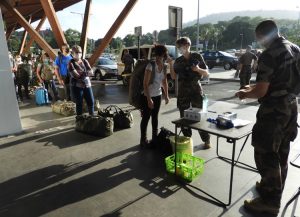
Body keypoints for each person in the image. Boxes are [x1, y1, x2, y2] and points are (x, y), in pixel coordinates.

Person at [236, 20, 299, 215]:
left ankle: (270, 203)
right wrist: (253, 88)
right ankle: (272, 187)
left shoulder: (269, 54)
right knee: (282, 151)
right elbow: (275, 83)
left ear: (263, 36)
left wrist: (246, 93)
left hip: (273, 112)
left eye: (259, 38)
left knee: (265, 153)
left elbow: (262, 91)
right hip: (291, 107)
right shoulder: (295, 49)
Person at [170, 37, 211, 149]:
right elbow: (173, 77)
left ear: (188, 45)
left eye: (181, 46)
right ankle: (187, 142)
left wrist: (197, 69)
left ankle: (206, 140)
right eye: (178, 47)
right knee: (184, 118)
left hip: (196, 91)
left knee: (199, 117)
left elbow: (206, 73)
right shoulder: (178, 61)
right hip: (183, 92)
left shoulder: (197, 56)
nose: (180, 49)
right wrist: (170, 64)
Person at [140, 45, 170, 147]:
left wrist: (166, 95)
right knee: (146, 117)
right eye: (157, 55)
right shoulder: (150, 66)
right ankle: (143, 139)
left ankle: (154, 138)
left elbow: (164, 81)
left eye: (160, 56)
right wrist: (149, 99)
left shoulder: (165, 66)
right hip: (147, 96)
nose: (158, 58)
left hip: (158, 95)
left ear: (163, 55)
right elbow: (145, 84)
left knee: (155, 117)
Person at [68, 45, 95, 116]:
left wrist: (83, 73)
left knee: (91, 101)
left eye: (80, 52)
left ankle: (92, 116)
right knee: (79, 103)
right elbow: (76, 75)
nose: (78, 54)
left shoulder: (84, 61)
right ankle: (79, 119)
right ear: (72, 54)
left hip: (87, 85)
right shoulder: (70, 63)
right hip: (77, 86)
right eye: (76, 52)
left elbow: (91, 72)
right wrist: (86, 74)